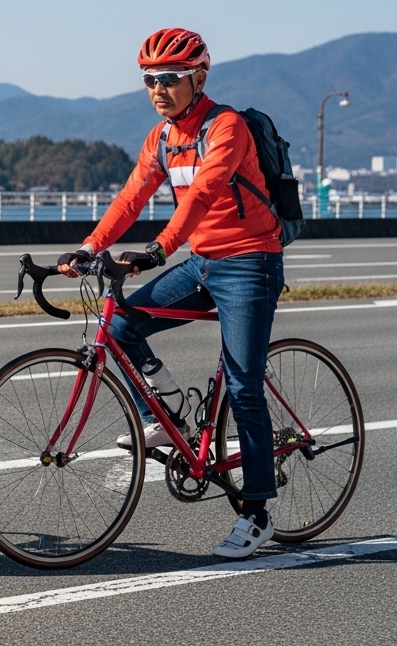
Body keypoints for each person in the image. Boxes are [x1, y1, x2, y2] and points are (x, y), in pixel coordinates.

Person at [55, 28, 284, 559]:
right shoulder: (163, 137)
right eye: (149, 80)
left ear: (199, 77)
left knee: (245, 385)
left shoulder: (224, 126)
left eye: (169, 79)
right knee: (119, 324)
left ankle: (256, 512)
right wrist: (90, 246)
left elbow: (203, 194)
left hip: (250, 261)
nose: (158, 89)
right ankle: (170, 416)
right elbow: (133, 194)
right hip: (204, 261)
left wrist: (157, 251)